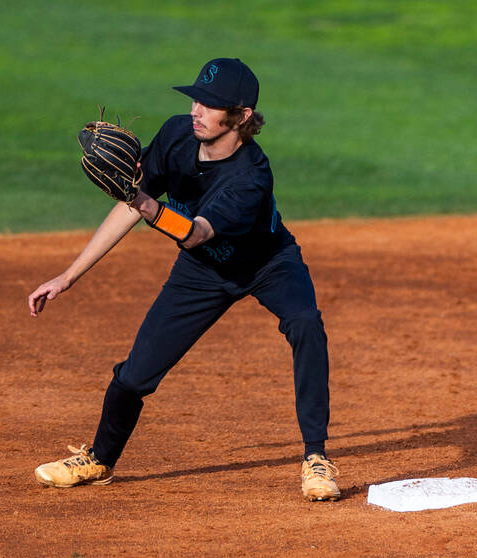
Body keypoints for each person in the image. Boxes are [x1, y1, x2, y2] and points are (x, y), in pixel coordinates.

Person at [29, 58, 340, 501]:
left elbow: (193, 233)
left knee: (306, 323)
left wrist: (142, 202)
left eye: (209, 104)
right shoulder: (177, 134)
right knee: (135, 376)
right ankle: (99, 459)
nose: (196, 109)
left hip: (268, 264)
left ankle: (316, 458)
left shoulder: (251, 176)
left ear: (241, 116)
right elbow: (128, 205)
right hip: (202, 274)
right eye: (196, 98)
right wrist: (68, 276)